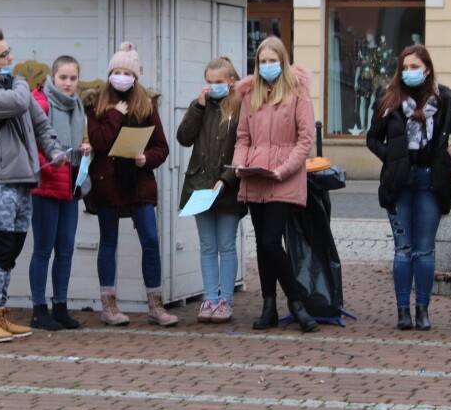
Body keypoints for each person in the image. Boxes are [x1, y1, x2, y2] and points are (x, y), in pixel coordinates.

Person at [0, 29, 65, 342]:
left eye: (11, 52)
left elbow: (40, 122)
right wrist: (22, 80)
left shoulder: (12, 86)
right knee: (1, 248)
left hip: (23, 177)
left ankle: (1, 313)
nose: (12, 58)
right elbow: (20, 101)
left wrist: (54, 150)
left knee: (12, 249)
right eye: (5, 55)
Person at [366, 44, 451, 331]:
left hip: (430, 180)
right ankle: (403, 312)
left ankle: (423, 309)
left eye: (415, 67)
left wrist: (449, 154)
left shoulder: (445, 99)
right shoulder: (389, 99)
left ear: (427, 69)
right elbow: (372, 138)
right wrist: (393, 156)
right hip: (399, 182)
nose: (410, 72)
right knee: (403, 249)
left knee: (424, 250)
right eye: (405, 68)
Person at [83, 42, 176, 327]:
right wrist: (116, 114)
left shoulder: (146, 103)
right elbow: (98, 141)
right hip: (107, 183)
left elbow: (162, 146)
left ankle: (155, 305)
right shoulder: (95, 102)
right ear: (110, 73)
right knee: (108, 242)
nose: (121, 76)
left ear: (135, 76)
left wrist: (145, 158)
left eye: (127, 72)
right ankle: (108, 305)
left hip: (138, 182)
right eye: (117, 71)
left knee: (150, 240)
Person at [232, 36, 319, 333]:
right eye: (262, 61)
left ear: (283, 61)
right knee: (262, 244)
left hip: (284, 177)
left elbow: (305, 139)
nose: (267, 66)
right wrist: (241, 165)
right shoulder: (250, 95)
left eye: (272, 61)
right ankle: (269, 305)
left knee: (271, 241)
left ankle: (296, 303)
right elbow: (243, 137)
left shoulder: (297, 92)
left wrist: (284, 170)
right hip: (255, 175)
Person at [176, 57, 244, 324]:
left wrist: (227, 177)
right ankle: (209, 298)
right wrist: (198, 107)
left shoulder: (239, 106)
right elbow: (184, 137)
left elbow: (243, 146)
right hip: (200, 186)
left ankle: (225, 299)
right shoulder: (201, 107)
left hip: (228, 187)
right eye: (209, 81)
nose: (213, 86)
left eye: (218, 82)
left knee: (226, 244)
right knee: (207, 246)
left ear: (230, 81)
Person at [28, 55, 93, 331]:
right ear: (52, 77)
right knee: (43, 249)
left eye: (73, 78)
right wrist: (52, 159)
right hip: (46, 184)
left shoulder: (77, 105)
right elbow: (33, 143)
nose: (68, 84)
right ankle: (39, 309)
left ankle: (61, 306)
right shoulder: (40, 102)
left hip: (71, 185)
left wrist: (85, 148)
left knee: (65, 249)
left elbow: (80, 138)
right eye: (63, 78)